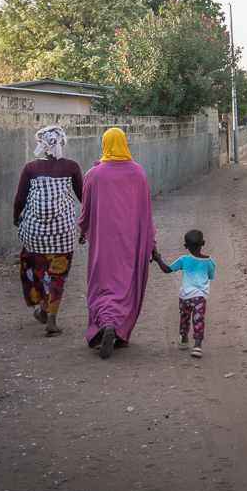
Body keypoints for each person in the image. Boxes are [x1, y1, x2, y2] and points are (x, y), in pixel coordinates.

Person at [79, 127, 155, 359]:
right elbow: (145, 211)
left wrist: (83, 230)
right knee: (126, 283)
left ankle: (105, 324)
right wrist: (150, 241)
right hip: (130, 241)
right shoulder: (139, 173)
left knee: (102, 283)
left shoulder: (93, 174)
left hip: (103, 242)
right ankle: (119, 330)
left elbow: (86, 210)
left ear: (105, 144)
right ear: (124, 143)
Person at [13, 125, 83, 336]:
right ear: (62, 143)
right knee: (57, 275)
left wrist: (16, 218)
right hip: (62, 233)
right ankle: (50, 318)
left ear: (41, 145)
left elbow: (20, 198)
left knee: (38, 269)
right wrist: (86, 226)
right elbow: (83, 197)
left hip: (34, 234)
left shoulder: (30, 168)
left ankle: (42, 308)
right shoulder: (72, 167)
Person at [153, 229, 215, 358]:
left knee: (184, 317)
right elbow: (212, 276)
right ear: (203, 243)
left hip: (185, 296)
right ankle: (197, 346)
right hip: (200, 296)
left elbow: (166, 269)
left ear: (185, 246)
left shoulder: (183, 260)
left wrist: (158, 258)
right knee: (198, 319)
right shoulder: (209, 262)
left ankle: (184, 339)